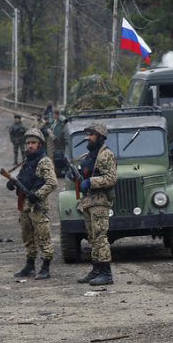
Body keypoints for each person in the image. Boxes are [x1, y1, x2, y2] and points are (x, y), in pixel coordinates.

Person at [69, 121, 117, 286]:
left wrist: (90, 182)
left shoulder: (105, 154)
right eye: (87, 134)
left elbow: (111, 178)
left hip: (100, 201)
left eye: (91, 135)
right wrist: (77, 175)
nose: (87, 138)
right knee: (92, 238)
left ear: (100, 136)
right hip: (89, 201)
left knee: (100, 237)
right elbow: (87, 172)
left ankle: (106, 273)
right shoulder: (91, 155)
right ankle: (96, 270)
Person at [7, 128, 58, 280]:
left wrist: (37, 195)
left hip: (37, 206)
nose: (30, 146)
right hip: (24, 205)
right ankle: (30, 266)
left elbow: (52, 183)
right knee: (27, 236)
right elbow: (21, 180)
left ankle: (46, 267)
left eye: (33, 143)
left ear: (40, 144)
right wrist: (13, 184)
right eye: (28, 143)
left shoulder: (44, 161)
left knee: (43, 236)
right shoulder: (26, 162)